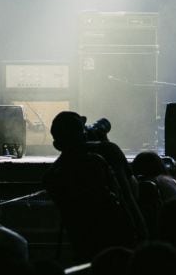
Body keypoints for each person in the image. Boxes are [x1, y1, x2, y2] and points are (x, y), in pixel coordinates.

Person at [43, 111, 147, 260]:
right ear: (84, 133)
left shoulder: (51, 177)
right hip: (123, 236)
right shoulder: (107, 151)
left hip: (84, 245)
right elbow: (131, 192)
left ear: (57, 144)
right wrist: (104, 142)